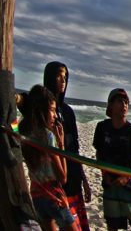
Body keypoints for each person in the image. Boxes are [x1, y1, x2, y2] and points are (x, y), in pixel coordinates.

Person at [18, 85, 79, 231]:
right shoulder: (47, 135)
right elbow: (62, 177)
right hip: (53, 197)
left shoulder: (24, 131)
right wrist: (61, 144)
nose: (55, 115)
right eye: (52, 110)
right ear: (41, 111)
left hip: (37, 196)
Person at [43, 61, 91, 230]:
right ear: (49, 77)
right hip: (53, 180)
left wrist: (84, 180)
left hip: (73, 178)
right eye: (58, 76)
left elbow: (75, 149)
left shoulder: (68, 111)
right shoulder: (42, 110)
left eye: (65, 77)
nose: (63, 80)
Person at [92, 88, 131, 231]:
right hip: (110, 185)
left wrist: (127, 177)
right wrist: (104, 174)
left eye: (126, 102)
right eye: (120, 101)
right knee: (113, 225)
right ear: (110, 105)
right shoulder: (102, 128)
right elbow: (99, 154)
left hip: (130, 187)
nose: (124, 105)